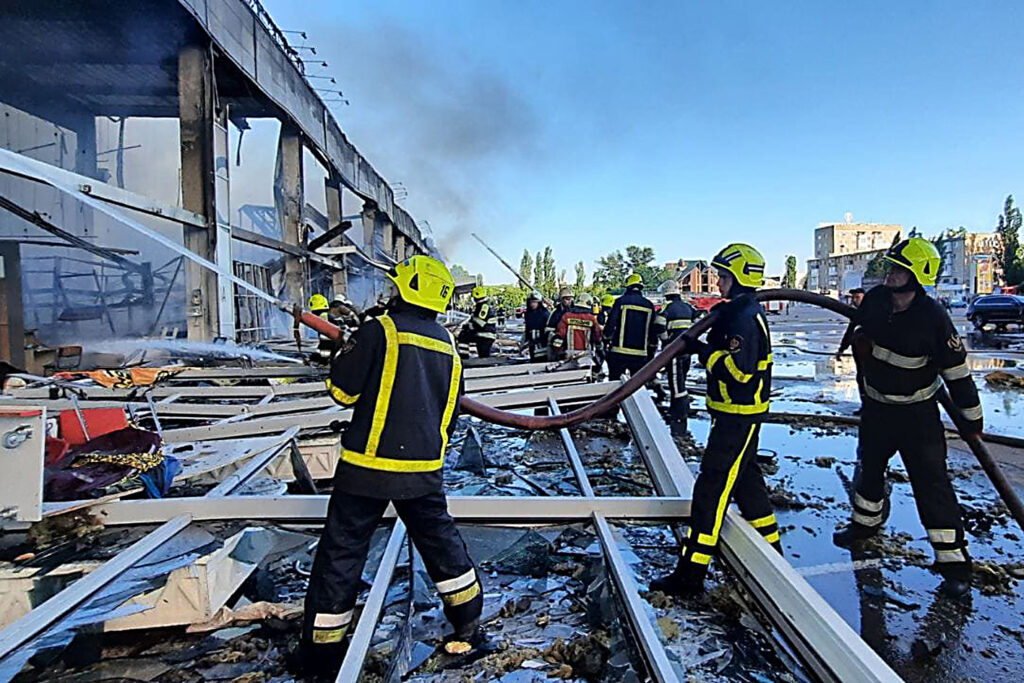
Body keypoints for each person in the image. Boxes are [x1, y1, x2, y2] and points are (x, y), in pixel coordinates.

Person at [301, 256, 483, 676]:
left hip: (365, 469)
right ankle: (470, 625)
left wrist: (340, 350)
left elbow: (343, 394)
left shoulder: (379, 330)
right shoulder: (447, 345)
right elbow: (450, 413)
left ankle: (322, 653)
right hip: (423, 470)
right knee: (443, 545)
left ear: (404, 290)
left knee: (342, 553)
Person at [832, 238, 983, 598]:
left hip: (917, 416)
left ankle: (954, 564)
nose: (890, 274)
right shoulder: (877, 302)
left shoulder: (934, 318)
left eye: (899, 269)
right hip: (878, 410)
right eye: (890, 268)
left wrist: (971, 419)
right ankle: (864, 526)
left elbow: (957, 373)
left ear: (918, 275)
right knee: (869, 469)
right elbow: (859, 334)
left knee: (932, 486)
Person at [651, 243, 777, 597]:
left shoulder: (743, 318)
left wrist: (703, 350)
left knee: (711, 490)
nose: (718, 282)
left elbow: (740, 372)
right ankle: (773, 555)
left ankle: (691, 574)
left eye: (723, 276)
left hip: (738, 416)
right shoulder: (737, 311)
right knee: (748, 483)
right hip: (735, 414)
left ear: (738, 278)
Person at [653, 280, 698, 422]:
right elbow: (700, 321)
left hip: (673, 350)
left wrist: (666, 341)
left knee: (675, 381)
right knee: (682, 378)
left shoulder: (667, 307)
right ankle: (678, 408)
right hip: (688, 349)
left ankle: (679, 412)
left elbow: (659, 325)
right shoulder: (688, 306)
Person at [603, 273, 658, 380]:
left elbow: (611, 324)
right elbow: (653, 330)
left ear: (628, 286)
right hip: (640, 354)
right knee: (637, 386)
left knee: (615, 384)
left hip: (619, 353)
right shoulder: (649, 305)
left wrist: (605, 338)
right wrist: (652, 348)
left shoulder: (620, 302)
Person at [553, 292, 603, 357]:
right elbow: (597, 336)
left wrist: (557, 351)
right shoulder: (592, 319)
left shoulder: (566, 316)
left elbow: (560, 335)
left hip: (569, 354)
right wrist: (600, 350)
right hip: (586, 354)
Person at [459, 286, 498, 358]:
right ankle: (464, 357)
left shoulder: (483, 307)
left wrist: (468, 328)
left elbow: (479, 324)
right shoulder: (481, 306)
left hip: (485, 335)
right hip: (483, 335)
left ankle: (464, 357)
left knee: (463, 337)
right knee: (464, 336)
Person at [545, 287, 575, 360]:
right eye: (567, 299)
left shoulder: (574, 311)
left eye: (571, 299)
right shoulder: (556, 313)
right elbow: (548, 330)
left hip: (572, 344)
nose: (570, 301)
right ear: (562, 299)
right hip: (558, 345)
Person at [523, 291, 550, 362]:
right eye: (531, 302)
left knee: (541, 359)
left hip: (542, 342)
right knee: (533, 359)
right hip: (531, 342)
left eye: (535, 302)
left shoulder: (545, 313)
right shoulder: (528, 314)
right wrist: (526, 341)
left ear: (539, 302)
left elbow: (548, 330)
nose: (533, 304)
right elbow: (527, 328)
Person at [308, 293, 333, 365]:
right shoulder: (330, 316)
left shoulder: (323, 319)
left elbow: (326, 342)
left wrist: (323, 361)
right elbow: (323, 344)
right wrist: (314, 357)